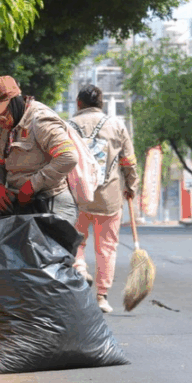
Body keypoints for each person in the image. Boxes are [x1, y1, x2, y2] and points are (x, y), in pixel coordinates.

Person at [68, 84, 138, 314]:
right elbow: (128, 161)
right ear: (102, 104)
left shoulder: (68, 126)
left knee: (76, 240)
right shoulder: (116, 125)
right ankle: (101, 296)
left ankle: (78, 268)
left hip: (77, 196)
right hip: (109, 197)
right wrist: (131, 185)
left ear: (79, 103)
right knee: (106, 247)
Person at [0, 75, 79, 226]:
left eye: (1, 112)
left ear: (14, 102)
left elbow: (68, 156)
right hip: (20, 204)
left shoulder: (40, 120)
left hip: (51, 203)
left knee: (48, 249)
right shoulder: (5, 127)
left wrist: (32, 185)